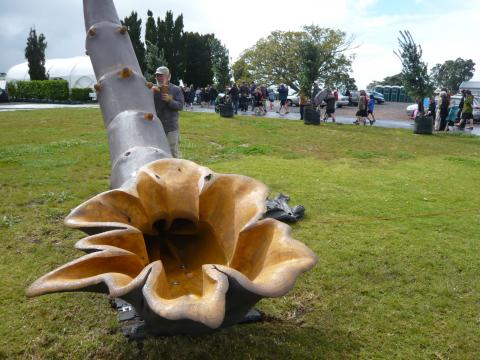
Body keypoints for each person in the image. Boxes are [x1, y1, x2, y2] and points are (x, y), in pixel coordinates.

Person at [152, 66, 185, 158]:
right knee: (158, 152)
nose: (159, 78)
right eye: (157, 76)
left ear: (168, 77)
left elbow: (180, 106)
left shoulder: (175, 89)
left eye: (161, 76)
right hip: (156, 127)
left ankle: (179, 171)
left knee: (173, 153)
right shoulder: (153, 89)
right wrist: (149, 93)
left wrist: (170, 101)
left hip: (171, 128)